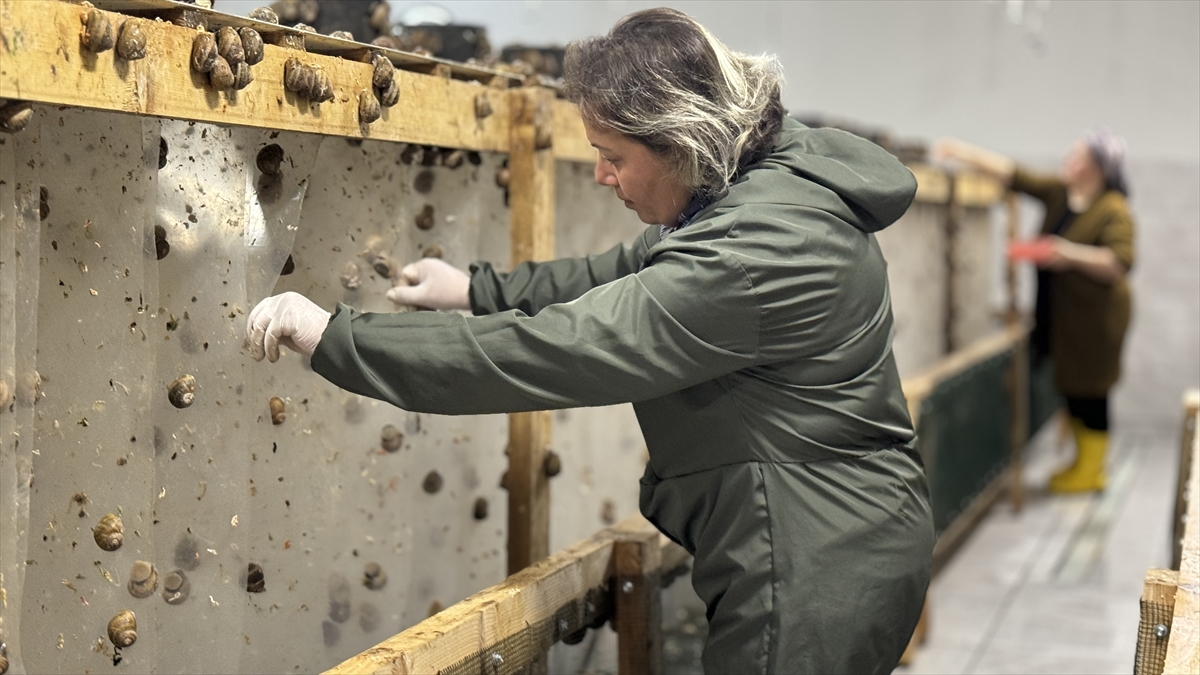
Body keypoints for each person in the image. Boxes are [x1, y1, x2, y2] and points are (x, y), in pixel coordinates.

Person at [248, 9, 933, 673]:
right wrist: (474, 288)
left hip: (813, 566)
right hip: (838, 534)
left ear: (682, 143)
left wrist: (336, 338)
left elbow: (563, 348)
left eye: (613, 157)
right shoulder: (759, 185)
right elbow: (616, 272)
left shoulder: (749, 256)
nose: (602, 177)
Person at [934, 132, 1134, 493]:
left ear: (1096, 169)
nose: (1067, 161)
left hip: (1097, 322)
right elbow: (1015, 175)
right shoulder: (1061, 194)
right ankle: (1081, 462)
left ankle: (1092, 470)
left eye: (1076, 157)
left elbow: (1119, 262)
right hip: (1064, 318)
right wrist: (962, 151)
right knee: (1072, 388)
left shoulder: (1112, 209)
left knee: (1091, 392)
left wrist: (1066, 253)